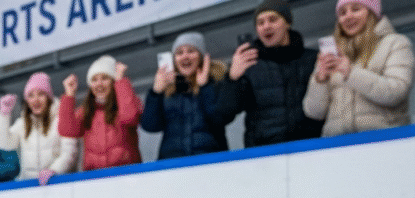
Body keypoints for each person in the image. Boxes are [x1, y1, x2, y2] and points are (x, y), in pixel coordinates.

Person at [214, 0, 324, 147]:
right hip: (265, 155)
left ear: (287, 23)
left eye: (273, 19)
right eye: (260, 23)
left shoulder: (313, 59)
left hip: (310, 149)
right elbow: (223, 115)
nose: (266, 26)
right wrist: (232, 78)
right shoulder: (250, 65)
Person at [303, 0, 414, 136]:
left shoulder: (395, 43)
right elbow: (314, 112)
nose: (348, 16)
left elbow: (396, 92)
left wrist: (351, 73)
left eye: (356, 9)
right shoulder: (332, 53)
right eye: (343, 12)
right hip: (337, 145)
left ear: (372, 12)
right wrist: (320, 80)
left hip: (385, 141)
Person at [140, 32, 234, 159]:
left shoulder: (216, 83)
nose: (185, 56)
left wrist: (205, 86)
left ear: (200, 56)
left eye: (191, 51)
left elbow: (221, 119)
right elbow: (150, 126)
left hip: (210, 161)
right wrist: (156, 92)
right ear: (174, 60)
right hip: (173, 164)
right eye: (179, 53)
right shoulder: (167, 90)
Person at [58, 55, 142, 171]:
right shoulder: (86, 110)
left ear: (113, 81)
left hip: (127, 175)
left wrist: (121, 81)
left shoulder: (127, 101)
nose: (99, 84)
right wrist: (69, 95)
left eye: (105, 78)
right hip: (95, 178)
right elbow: (67, 130)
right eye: (94, 80)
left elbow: (130, 117)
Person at [0, 72, 77, 185]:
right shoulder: (23, 123)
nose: (35, 100)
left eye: (41, 94)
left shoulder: (60, 119)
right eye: (31, 95)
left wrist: (54, 170)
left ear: (49, 97)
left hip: (57, 183)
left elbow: (69, 152)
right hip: (29, 187)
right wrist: (3, 115)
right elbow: (3, 143)